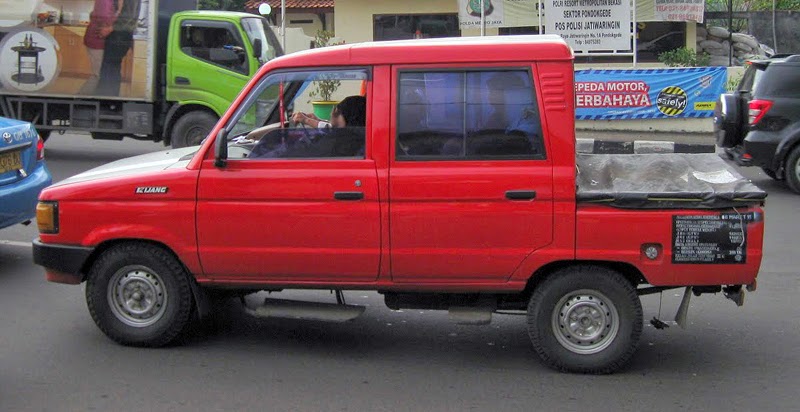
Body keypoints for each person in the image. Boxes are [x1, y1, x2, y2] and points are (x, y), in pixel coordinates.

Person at [97, 0, 141, 96]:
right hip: (123, 33)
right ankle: (109, 98)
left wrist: (109, 28)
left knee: (110, 68)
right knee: (112, 67)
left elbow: (128, 16)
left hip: (121, 34)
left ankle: (106, 98)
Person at [81, 0, 118, 95]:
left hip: (96, 38)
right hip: (97, 39)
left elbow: (94, 14)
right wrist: (118, 21)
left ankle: (85, 99)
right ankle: (81, 99)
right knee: (98, 75)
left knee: (98, 74)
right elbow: (104, 17)